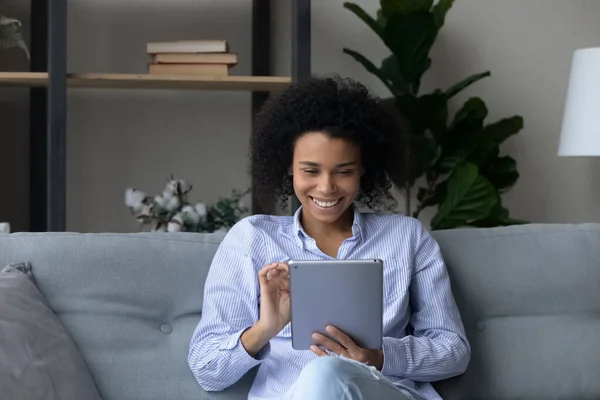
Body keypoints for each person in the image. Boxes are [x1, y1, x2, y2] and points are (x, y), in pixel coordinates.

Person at [188, 76, 471, 400]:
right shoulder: (251, 240)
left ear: (364, 168)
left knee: (328, 372)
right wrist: (265, 328)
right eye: (310, 171)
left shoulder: (406, 237)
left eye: (343, 171)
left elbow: (454, 351)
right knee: (320, 376)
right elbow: (207, 369)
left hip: (379, 393)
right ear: (288, 169)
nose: (326, 187)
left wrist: (377, 357)